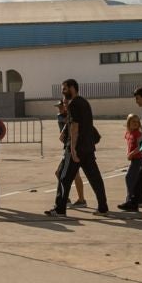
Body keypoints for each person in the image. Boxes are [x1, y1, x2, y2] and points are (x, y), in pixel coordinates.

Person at [48, 78, 108, 216]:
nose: (63, 92)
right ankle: (103, 207)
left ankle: (59, 209)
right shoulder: (84, 102)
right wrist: (64, 131)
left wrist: (73, 148)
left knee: (64, 178)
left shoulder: (74, 104)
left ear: (72, 88)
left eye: (64, 88)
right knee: (95, 178)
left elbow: (75, 127)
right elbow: (76, 122)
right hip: (88, 147)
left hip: (76, 148)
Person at [54, 98, 88, 207]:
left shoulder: (71, 116)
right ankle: (70, 198)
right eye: (59, 107)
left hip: (73, 148)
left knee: (70, 174)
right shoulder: (62, 116)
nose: (59, 109)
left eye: (61, 106)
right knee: (62, 173)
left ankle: (79, 199)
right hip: (68, 147)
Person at [121, 112, 142, 211]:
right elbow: (129, 145)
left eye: (137, 122)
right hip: (133, 159)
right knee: (138, 179)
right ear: (128, 123)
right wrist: (129, 154)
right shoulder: (128, 133)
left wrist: (131, 154)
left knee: (129, 178)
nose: (136, 123)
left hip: (138, 159)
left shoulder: (138, 133)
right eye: (133, 121)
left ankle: (130, 200)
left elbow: (140, 146)